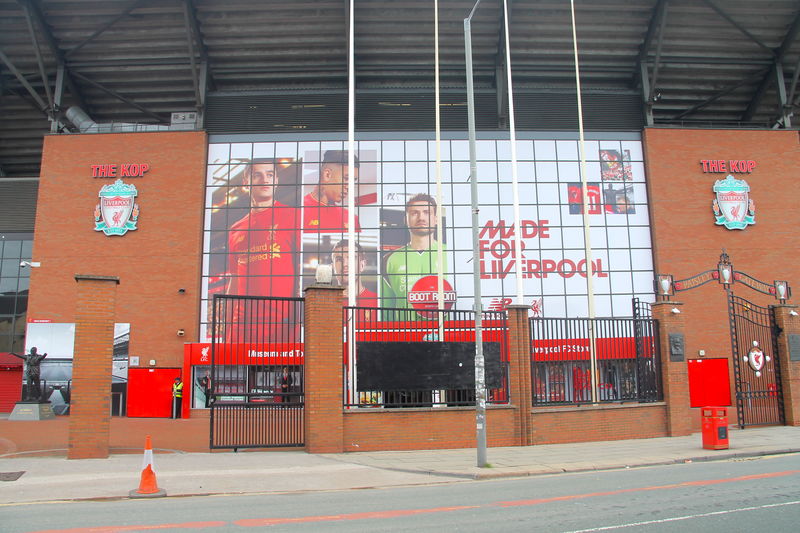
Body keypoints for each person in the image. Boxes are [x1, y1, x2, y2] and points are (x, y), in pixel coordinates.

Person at [226, 158, 300, 340]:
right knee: (235, 368)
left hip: (280, 323)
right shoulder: (236, 229)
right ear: (246, 182)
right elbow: (234, 281)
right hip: (241, 325)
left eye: (270, 174)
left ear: (276, 181)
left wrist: (297, 319)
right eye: (257, 175)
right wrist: (226, 325)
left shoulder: (293, 216)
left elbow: (300, 271)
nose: (264, 180)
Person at [382, 193, 447, 316]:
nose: (421, 217)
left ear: (436, 219)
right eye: (414, 213)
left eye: (427, 212)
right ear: (406, 219)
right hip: (404, 333)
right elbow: (386, 307)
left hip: (445, 332)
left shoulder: (450, 254)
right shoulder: (389, 259)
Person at [303, 150, 361, 233]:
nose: (349, 187)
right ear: (327, 175)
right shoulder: (296, 211)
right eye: (346, 179)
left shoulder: (352, 218)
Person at [331, 239, 378, 320]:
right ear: (333, 266)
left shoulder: (377, 301)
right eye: (339, 259)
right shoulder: (326, 303)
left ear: (362, 265)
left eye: (351, 258)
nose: (345, 264)